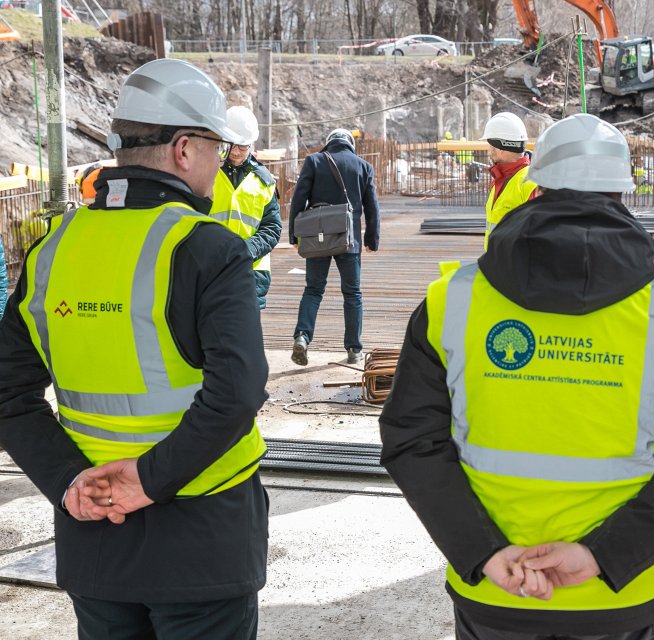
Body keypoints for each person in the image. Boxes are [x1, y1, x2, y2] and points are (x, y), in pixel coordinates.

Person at [380, 113, 654, 640]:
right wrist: (603, 556)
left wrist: (483, 551)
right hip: (614, 595)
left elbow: (412, 441)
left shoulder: (451, 302)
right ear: (623, 193)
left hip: (496, 589)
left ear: (537, 185)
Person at [0, 58, 269, 639]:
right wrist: (147, 480)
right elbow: (237, 394)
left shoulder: (55, 249)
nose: (220, 164)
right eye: (217, 149)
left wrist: (71, 481)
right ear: (183, 149)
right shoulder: (206, 247)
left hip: (94, 534)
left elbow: (8, 393)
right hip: (204, 537)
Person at [289, 128, 380, 366]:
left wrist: (294, 235)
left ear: (328, 143)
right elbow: (372, 208)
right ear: (350, 144)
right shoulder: (363, 166)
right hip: (348, 240)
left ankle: (302, 336)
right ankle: (353, 349)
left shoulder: (314, 161)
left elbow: (299, 199)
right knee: (352, 293)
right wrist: (372, 239)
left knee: (313, 290)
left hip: (316, 237)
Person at [210, 105, 282, 309]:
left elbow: (272, 227)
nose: (236, 151)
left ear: (251, 145)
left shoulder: (264, 181)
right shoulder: (207, 172)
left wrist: (246, 249)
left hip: (251, 270)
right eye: (232, 145)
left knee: (245, 335)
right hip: (212, 264)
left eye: (243, 146)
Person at [479, 111, 537, 250]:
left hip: (517, 268)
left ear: (499, 148)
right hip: (497, 264)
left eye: (490, 145)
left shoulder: (532, 183)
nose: (489, 150)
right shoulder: (500, 178)